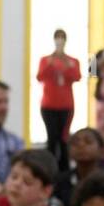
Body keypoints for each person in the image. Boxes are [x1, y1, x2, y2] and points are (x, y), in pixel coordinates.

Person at [37, 29, 81, 170]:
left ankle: (64, 171)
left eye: (62, 37)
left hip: (66, 105)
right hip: (48, 105)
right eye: (57, 37)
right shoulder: (45, 60)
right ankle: (49, 169)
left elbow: (77, 77)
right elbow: (40, 77)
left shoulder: (73, 61)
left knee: (63, 139)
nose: (60, 40)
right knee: (52, 137)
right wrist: (50, 62)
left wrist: (67, 65)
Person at [52, 127, 104, 206]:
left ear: (102, 150)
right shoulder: (60, 181)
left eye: (88, 142)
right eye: (75, 143)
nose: (81, 145)